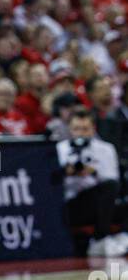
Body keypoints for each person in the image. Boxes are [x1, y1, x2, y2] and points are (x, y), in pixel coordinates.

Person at [57, 106, 127, 257]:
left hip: (100, 200)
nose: (80, 133)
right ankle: (101, 239)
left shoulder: (106, 149)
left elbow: (112, 181)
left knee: (110, 188)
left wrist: (94, 172)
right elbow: (53, 183)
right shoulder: (59, 149)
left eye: (85, 129)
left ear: (93, 129)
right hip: (72, 204)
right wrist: (66, 172)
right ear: (69, 129)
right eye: (76, 129)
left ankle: (110, 238)